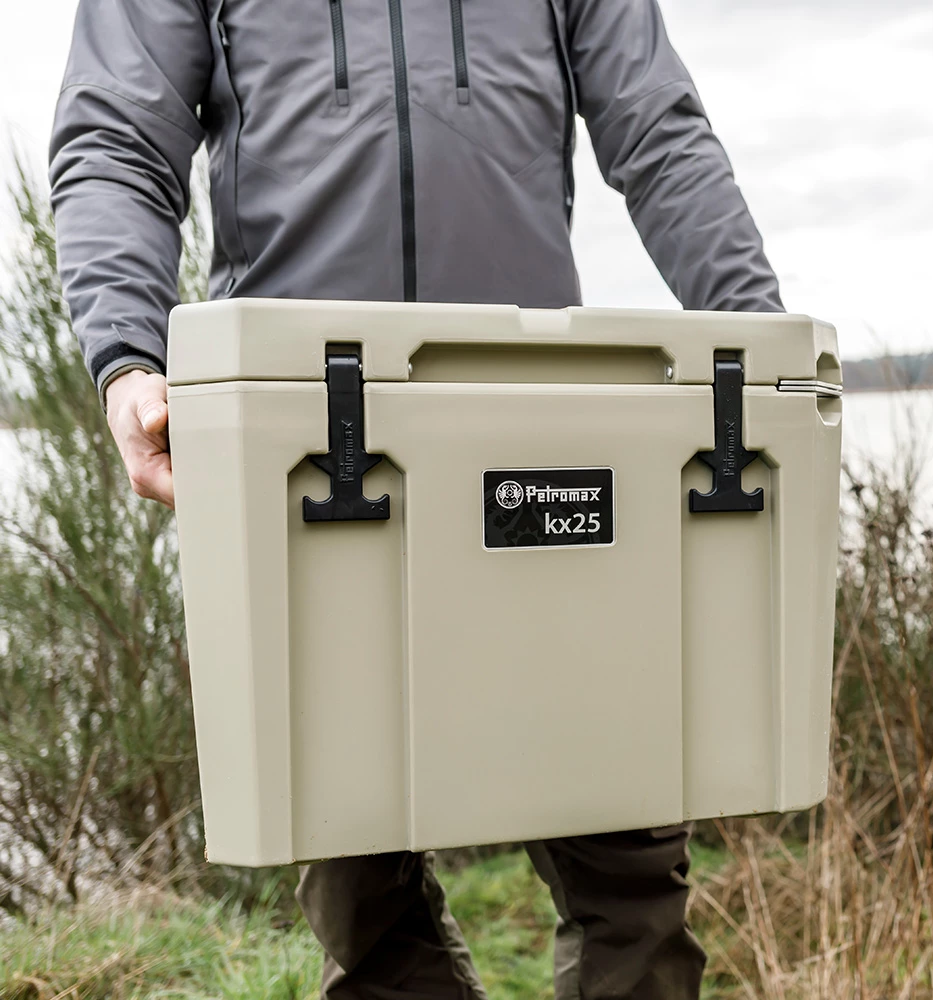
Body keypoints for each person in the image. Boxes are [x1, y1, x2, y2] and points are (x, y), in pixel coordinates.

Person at [49, 0, 782, 996]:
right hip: (305, 438)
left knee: (629, 861)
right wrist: (128, 356)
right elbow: (118, 136)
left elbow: (658, 128)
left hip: (525, 430)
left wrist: (762, 338)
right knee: (359, 880)